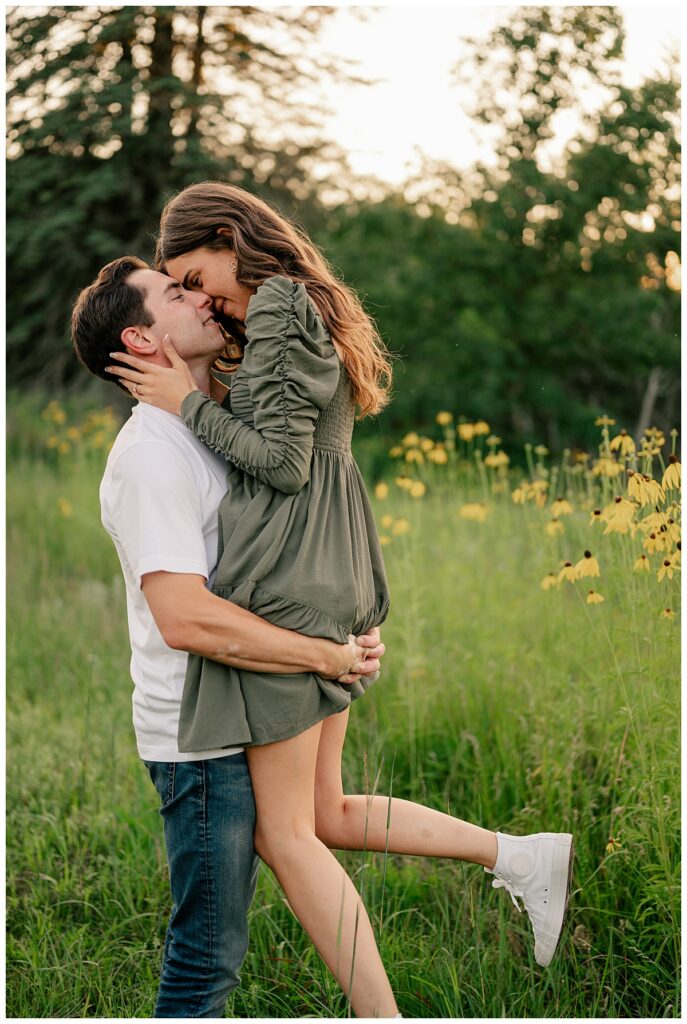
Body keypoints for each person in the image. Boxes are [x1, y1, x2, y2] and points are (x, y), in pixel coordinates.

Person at [105, 182, 574, 1018]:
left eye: (193, 272)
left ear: (226, 236)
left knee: (286, 833)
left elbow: (281, 467)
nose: (202, 293)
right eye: (178, 287)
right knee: (324, 811)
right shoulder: (264, 326)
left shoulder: (274, 308)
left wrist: (183, 400)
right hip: (321, 565)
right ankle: (520, 857)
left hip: (296, 579)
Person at [71, 255, 385, 1018]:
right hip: (199, 741)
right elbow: (186, 619)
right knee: (206, 961)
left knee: (305, 839)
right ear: (143, 341)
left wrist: (348, 624)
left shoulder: (211, 423)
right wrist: (325, 656)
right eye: (177, 293)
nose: (203, 297)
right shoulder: (150, 455)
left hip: (249, 705)